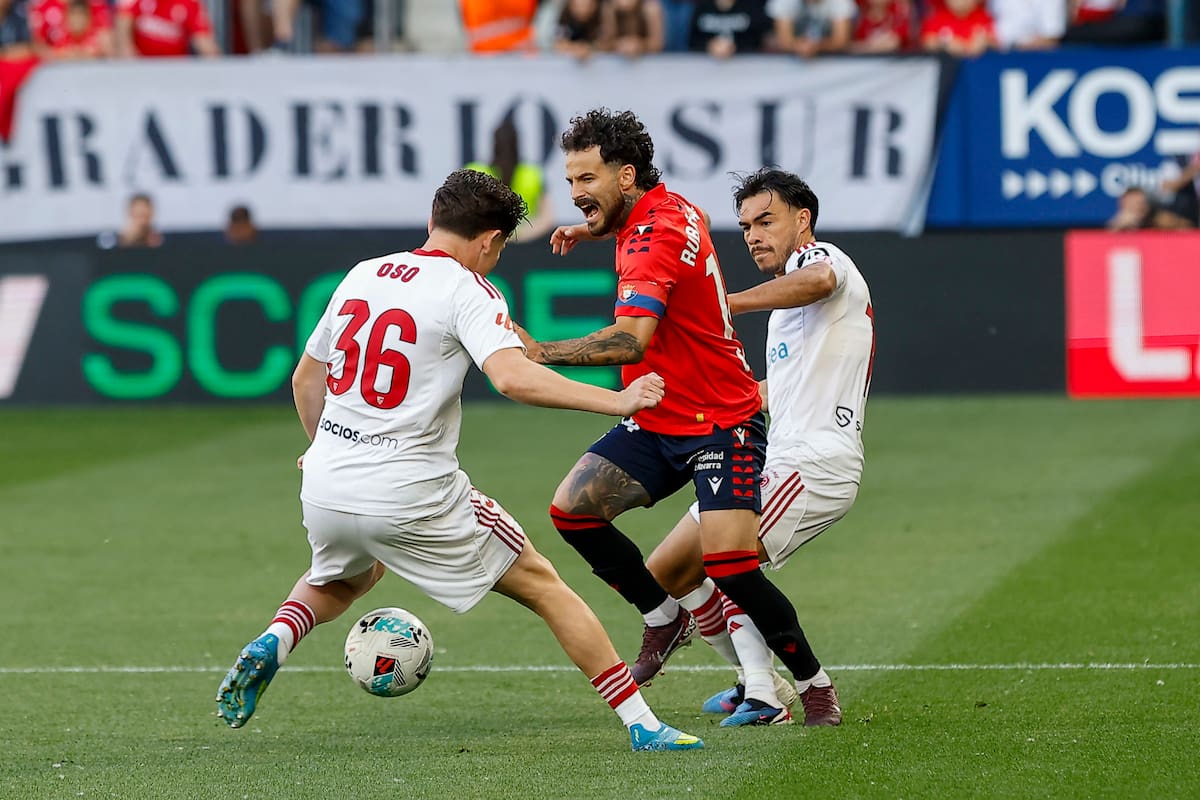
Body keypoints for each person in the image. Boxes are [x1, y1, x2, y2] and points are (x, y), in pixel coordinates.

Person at [214, 169, 703, 753]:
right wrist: (616, 399)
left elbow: (305, 378)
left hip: (326, 485)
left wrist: (325, 445)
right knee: (546, 587)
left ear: (432, 220)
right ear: (492, 241)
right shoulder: (470, 289)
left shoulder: (363, 274)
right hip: (409, 490)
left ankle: (276, 638)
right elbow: (513, 377)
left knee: (351, 575)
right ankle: (642, 723)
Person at [521, 110, 825, 709]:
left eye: (587, 180)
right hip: (661, 416)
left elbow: (630, 340)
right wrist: (596, 228)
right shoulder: (674, 206)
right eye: (572, 180)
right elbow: (687, 230)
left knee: (731, 566)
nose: (576, 193)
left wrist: (539, 352)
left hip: (721, 421)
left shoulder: (651, 236)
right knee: (572, 512)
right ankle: (665, 616)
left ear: (626, 175)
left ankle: (815, 687)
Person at [644, 168, 874, 727]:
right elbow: (773, 392)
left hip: (814, 462)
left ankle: (791, 692)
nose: (753, 234)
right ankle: (755, 679)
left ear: (803, 220)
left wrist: (726, 303)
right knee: (669, 568)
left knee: (726, 559)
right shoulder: (792, 314)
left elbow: (819, 279)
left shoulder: (822, 259)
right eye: (745, 225)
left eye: (766, 220)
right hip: (787, 456)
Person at [465, 115, 556, 244]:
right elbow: (547, 219)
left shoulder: (475, 172)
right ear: (517, 144)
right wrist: (518, 236)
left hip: (485, 246)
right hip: (525, 248)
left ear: (494, 145)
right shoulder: (532, 174)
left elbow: (463, 216)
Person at [113, 0, 220, 57]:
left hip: (176, 71)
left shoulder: (190, 3)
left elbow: (204, 42)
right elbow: (122, 32)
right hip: (141, 68)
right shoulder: (135, 1)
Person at [767, 0, 856, 57]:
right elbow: (784, 40)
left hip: (832, 65)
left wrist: (816, 46)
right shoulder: (784, 2)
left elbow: (841, 40)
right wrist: (800, 46)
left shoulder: (840, 2)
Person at [1106, 186, 1192, 231]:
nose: (1138, 207)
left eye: (1140, 203)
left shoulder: (1157, 219)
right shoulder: (1115, 226)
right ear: (1122, 203)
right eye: (1133, 204)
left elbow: (1188, 228)